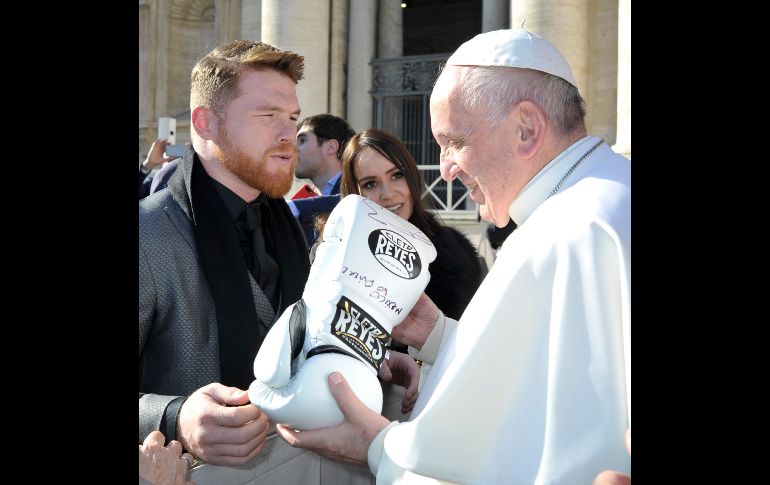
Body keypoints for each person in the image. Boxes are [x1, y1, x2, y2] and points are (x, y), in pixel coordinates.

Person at [275, 28, 631, 484]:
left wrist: (380, 446)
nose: (444, 169)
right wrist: (439, 334)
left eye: (454, 141)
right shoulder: (602, 197)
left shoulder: (566, 232)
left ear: (526, 128)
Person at [139, 40, 311, 466]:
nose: (289, 133)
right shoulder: (148, 234)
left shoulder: (289, 228)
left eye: (292, 117)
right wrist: (174, 416)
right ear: (206, 123)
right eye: (268, 115)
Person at [339, 128, 483, 322]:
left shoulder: (454, 256)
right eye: (370, 184)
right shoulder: (335, 253)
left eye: (396, 175)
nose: (387, 194)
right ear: (353, 193)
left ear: (412, 177)